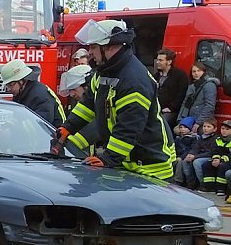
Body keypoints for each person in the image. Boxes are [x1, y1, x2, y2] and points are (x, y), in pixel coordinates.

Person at [55, 19, 175, 180]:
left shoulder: (133, 80)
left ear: (109, 47)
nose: (89, 52)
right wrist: (67, 128)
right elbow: (88, 105)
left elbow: (129, 127)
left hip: (150, 167)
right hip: (124, 163)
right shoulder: (105, 71)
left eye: (93, 47)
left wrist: (107, 158)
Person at [0, 59, 65, 127]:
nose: (8, 89)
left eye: (11, 84)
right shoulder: (23, 93)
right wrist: (7, 126)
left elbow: (40, 126)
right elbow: (18, 117)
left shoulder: (41, 96)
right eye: (7, 85)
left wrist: (13, 128)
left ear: (22, 81)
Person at [177, 61, 219, 133]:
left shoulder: (209, 85)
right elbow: (185, 103)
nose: (196, 73)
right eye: (194, 71)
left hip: (202, 122)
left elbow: (209, 106)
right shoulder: (192, 86)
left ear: (204, 72)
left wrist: (198, 122)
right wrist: (180, 119)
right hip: (190, 120)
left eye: (199, 71)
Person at [154, 48, 190, 127]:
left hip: (171, 111)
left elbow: (181, 94)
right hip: (156, 109)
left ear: (169, 62)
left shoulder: (180, 75)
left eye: (161, 60)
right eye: (157, 60)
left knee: (161, 124)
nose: (157, 62)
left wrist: (171, 108)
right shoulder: (156, 76)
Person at [198, 120, 231, 198]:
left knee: (222, 166)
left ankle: (221, 189)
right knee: (206, 165)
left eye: (227, 129)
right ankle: (209, 187)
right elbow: (214, 151)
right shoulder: (218, 139)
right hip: (220, 159)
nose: (224, 131)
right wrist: (215, 158)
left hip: (228, 161)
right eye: (223, 128)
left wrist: (221, 160)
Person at [189, 118, 219, 190]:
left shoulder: (216, 138)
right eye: (204, 126)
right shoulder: (201, 137)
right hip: (199, 156)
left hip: (210, 157)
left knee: (197, 162)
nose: (205, 129)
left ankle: (203, 185)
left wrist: (195, 156)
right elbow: (195, 148)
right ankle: (191, 184)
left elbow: (211, 153)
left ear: (214, 129)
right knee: (185, 161)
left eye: (209, 127)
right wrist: (190, 154)